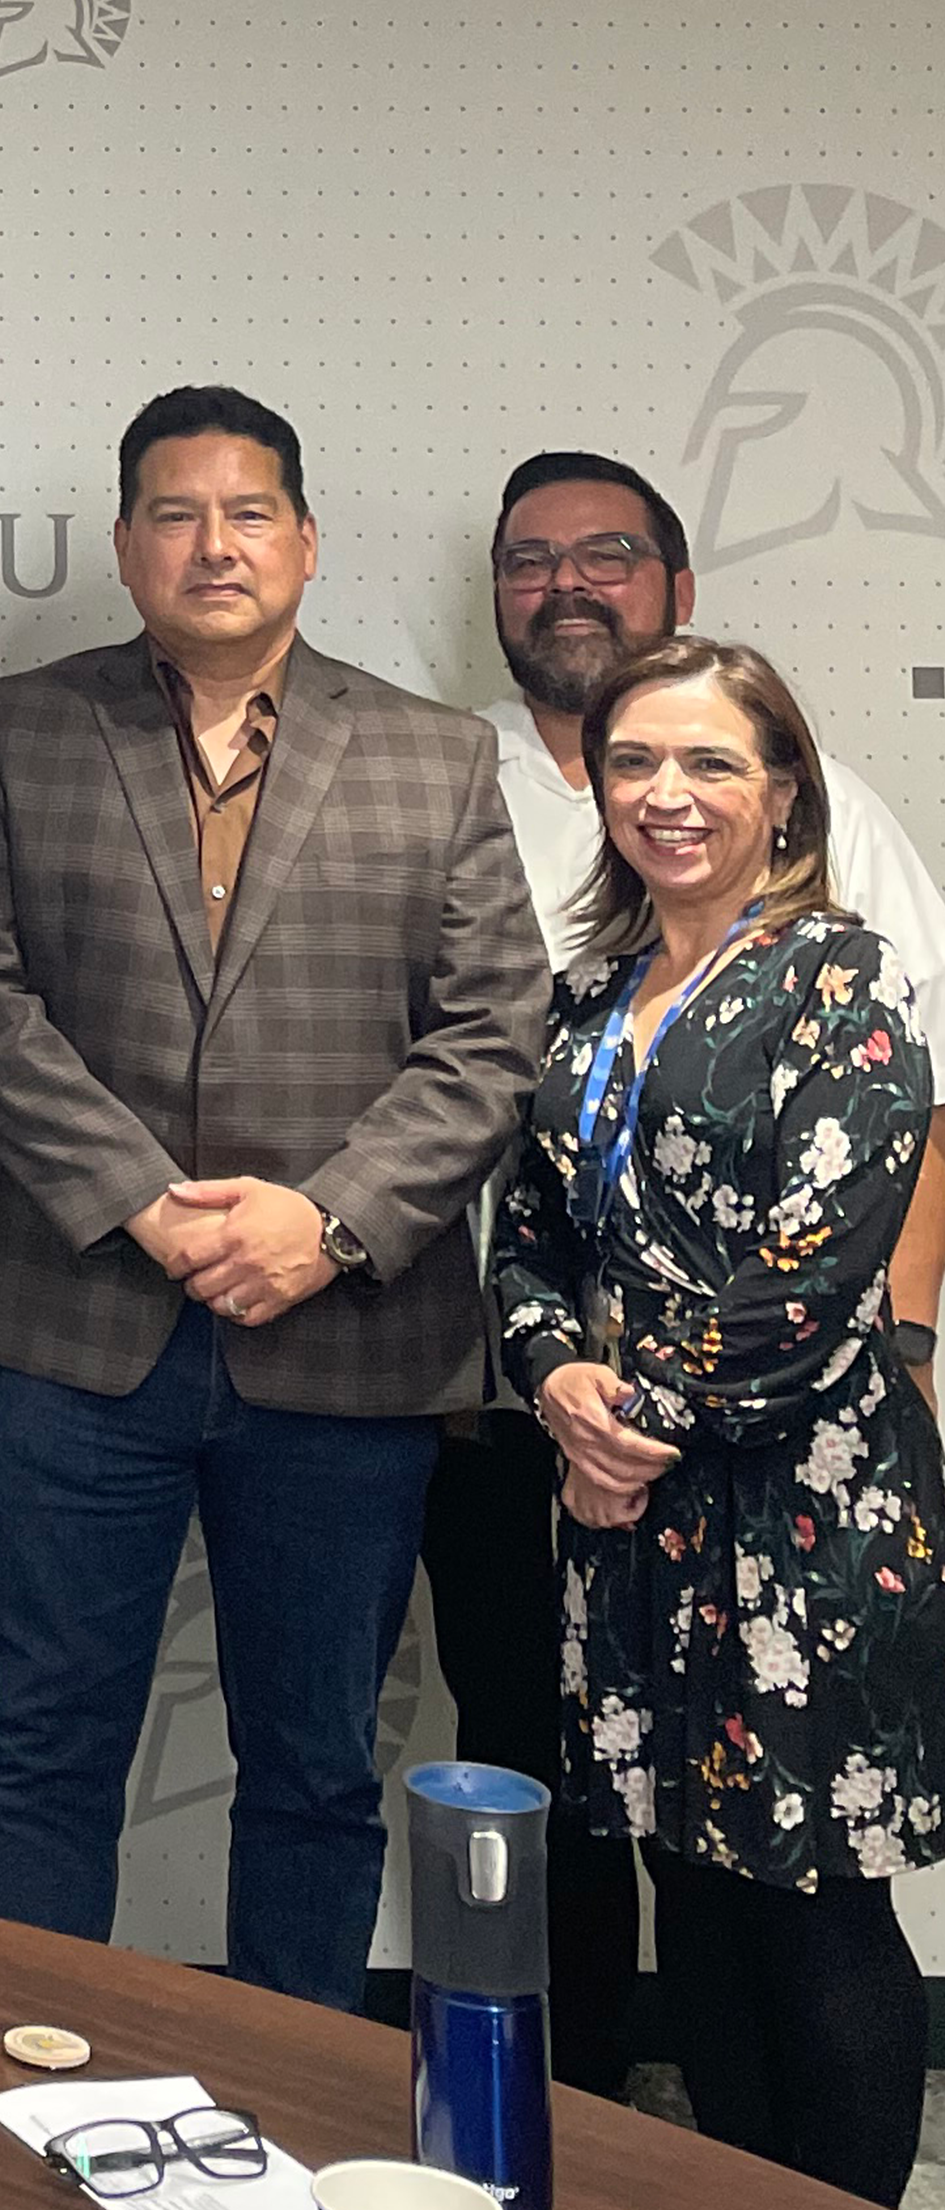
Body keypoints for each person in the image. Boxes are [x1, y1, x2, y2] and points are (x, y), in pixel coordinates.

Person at [0, 385, 542, 2010]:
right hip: (72, 1328)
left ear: (306, 542)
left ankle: (287, 2113)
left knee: (318, 1768)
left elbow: (492, 1035)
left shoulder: (432, 755)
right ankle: (26, 2094)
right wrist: (140, 1198)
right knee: (43, 1752)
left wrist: (324, 1223)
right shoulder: (15, 729)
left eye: (248, 512)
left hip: (343, 1341)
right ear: (128, 547)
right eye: (176, 514)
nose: (214, 544)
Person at [440, 447, 945, 2093]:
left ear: (782, 790)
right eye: (635, 762)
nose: (668, 792)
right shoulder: (589, 1002)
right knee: (690, 1897)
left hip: (794, 1503)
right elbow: (530, 1232)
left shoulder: (842, 981)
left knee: (815, 1909)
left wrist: (626, 1423)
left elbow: (816, 1271)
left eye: (711, 763)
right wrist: (555, 1381)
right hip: (627, 1520)